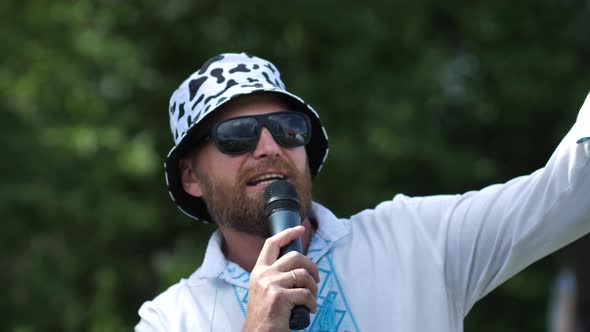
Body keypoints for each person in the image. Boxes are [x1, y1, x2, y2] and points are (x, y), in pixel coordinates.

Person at [135, 52, 590, 331]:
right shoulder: (172, 319)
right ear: (191, 176)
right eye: (237, 135)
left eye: (288, 129)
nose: (269, 147)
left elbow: (565, 194)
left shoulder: (417, 239)